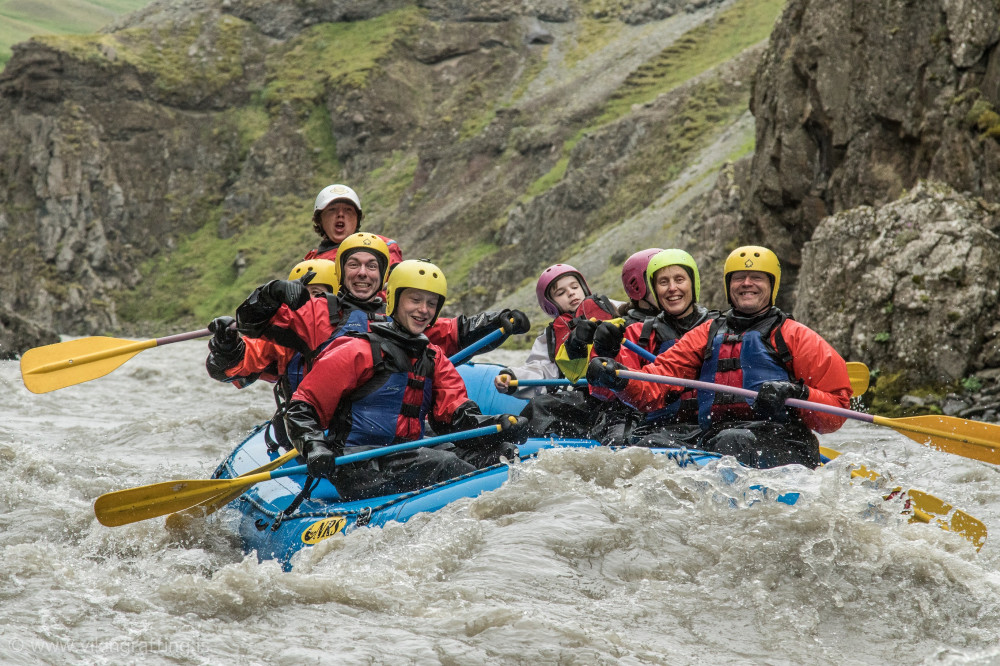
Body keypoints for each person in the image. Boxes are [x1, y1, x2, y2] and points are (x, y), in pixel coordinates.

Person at [283, 259, 528, 500]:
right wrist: (314, 446)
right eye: (415, 300)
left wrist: (500, 423)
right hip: (358, 463)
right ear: (395, 300)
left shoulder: (433, 356)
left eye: (431, 303)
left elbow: (456, 417)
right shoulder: (356, 350)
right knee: (442, 464)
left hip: (408, 453)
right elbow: (303, 408)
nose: (423, 310)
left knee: (503, 453)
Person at [587, 245, 852, 469]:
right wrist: (619, 379)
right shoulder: (706, 334)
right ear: (728, 286)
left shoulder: (796, 336)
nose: (746, 284)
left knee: (732, 441)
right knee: (656, 446)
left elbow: (836, 411)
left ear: (772, 285)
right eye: (738, 278)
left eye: (756, 277)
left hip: (783, 440)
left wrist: (798, 395)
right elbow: (658, 381)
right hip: (717, 439)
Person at [588, 249, 720, 447]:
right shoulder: (639, 333)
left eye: (679, 279)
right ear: (654, 289)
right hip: (659, 427)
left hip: (713, 427)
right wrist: (606, 353)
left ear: (693, 284)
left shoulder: (720, 329)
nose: (672, 288)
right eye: (663, 282)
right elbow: (606, 392)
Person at [493, 263, 620, 438]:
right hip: (584, 398)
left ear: (584, 288)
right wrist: (513, 378)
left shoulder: (613, 308)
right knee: (538, 407)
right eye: (560, 293)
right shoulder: (551, 337)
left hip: (621, 389)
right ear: (550, 305)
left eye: (575, 287)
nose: (571, 293)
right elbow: (540, 371)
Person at [304, 184, 404, 266]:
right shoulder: (310, 263)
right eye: (332, 209)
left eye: (348, 210)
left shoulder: (382, 248)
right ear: (320, 220)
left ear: (357, 218)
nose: (340, 214)